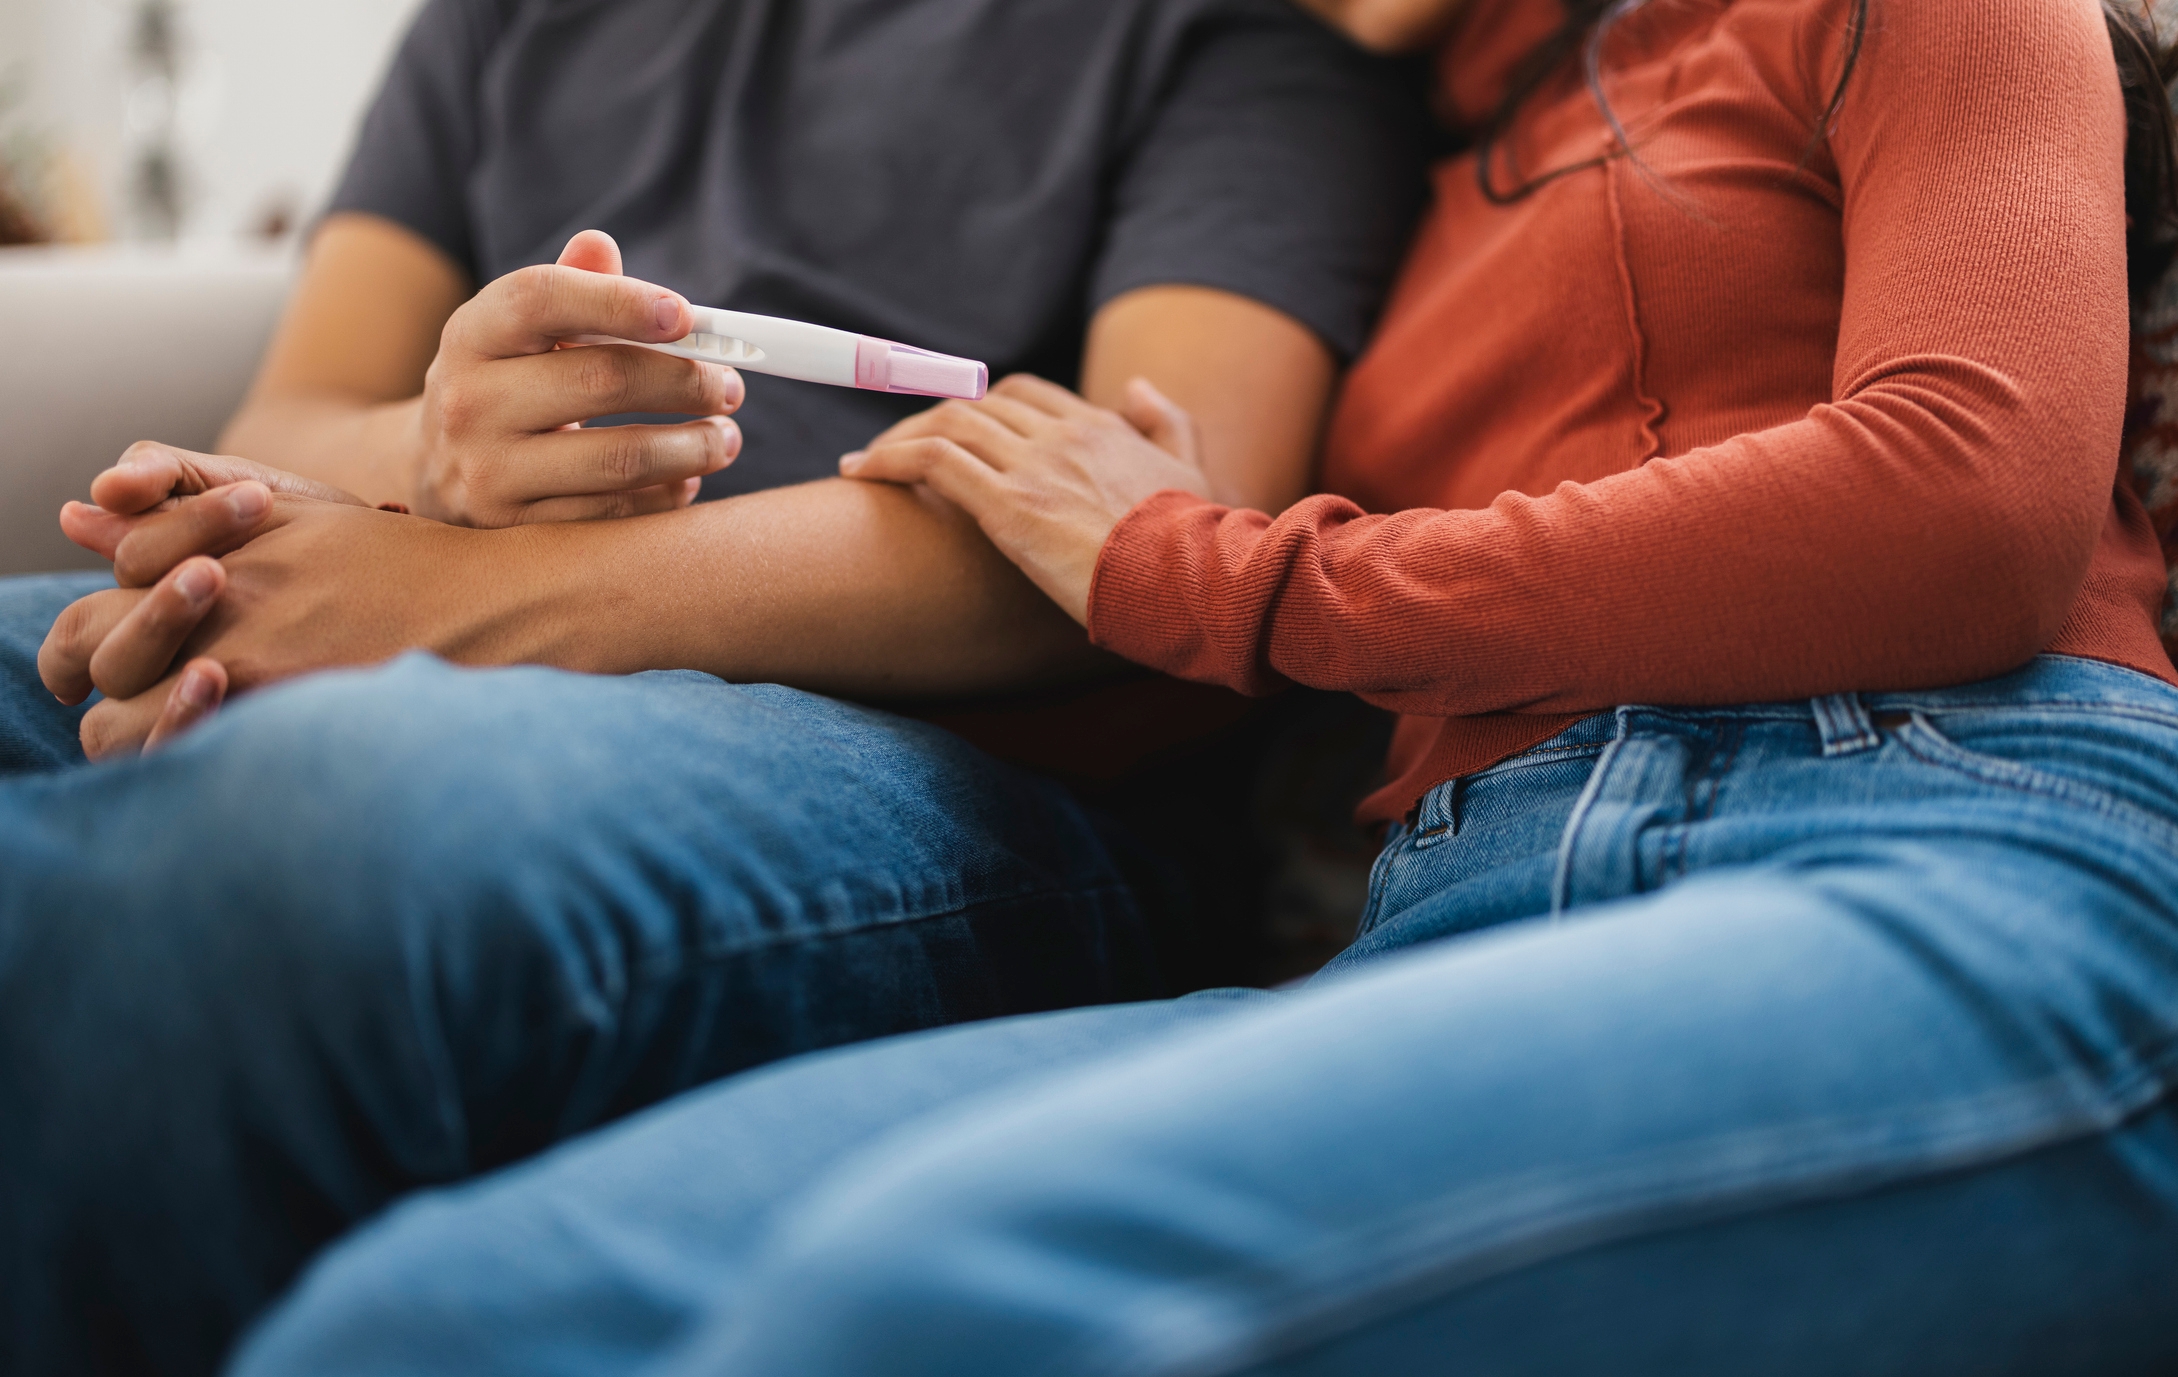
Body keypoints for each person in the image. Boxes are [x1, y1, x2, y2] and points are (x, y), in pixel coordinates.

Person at [151, 0, 2178, 1369]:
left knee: (934, 1302)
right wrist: (361, 588)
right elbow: (1162, 660)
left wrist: (1214, 569)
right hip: (1457, 916)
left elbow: (1969, 497)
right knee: (451, 1315)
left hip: (1952, 835)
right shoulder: (1388, 186)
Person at [0, 1, 1430, 1372]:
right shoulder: (506, 21)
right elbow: (290, 418)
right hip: (459, 623)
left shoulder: (1242, 34)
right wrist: (435, 457)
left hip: (977, 781)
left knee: (314, 821)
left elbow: (1172, 533)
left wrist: (441, 600)